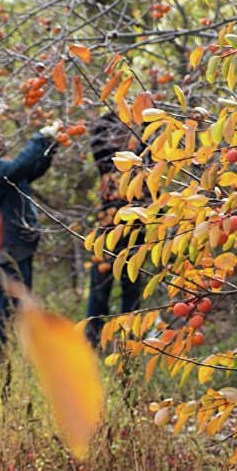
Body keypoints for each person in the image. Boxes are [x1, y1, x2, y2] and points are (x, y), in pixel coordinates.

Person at [0, 121, 57, 363]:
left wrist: (50, 147)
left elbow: (31, 170)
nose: (2, 140)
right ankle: (2, 359)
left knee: (19, 302)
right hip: (9, 246)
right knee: (9, 304)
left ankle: (12, 357)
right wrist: (38, 138)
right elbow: (21, 166)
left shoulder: (3, 170)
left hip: (19, 243)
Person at [84, 114, 144, 347]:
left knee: (132, 289)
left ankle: (129, 342)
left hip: (136, 233)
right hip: (107, 233)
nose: (120, 136)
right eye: (115, 132)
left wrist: (145, 115)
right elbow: (96, 135)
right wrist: (114, 114)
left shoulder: (137, 159)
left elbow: (148, 144)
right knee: (100, 287)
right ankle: (92, 340)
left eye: (124, 131)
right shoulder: (107, 160)